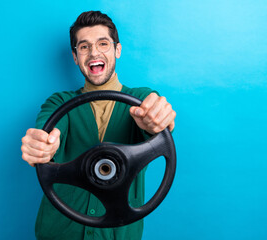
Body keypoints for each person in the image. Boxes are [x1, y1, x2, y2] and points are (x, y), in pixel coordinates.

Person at [21, 11, 176, 240]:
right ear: (75, 57)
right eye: (83, 47)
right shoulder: (59, 102)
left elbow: (155, 118)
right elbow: (48, 128)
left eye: (103, 43)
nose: (94, 52)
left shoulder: (142, 98)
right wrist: (42, 144)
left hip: (119, 233)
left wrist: (159, 120)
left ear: (117, 50)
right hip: (59, 233)